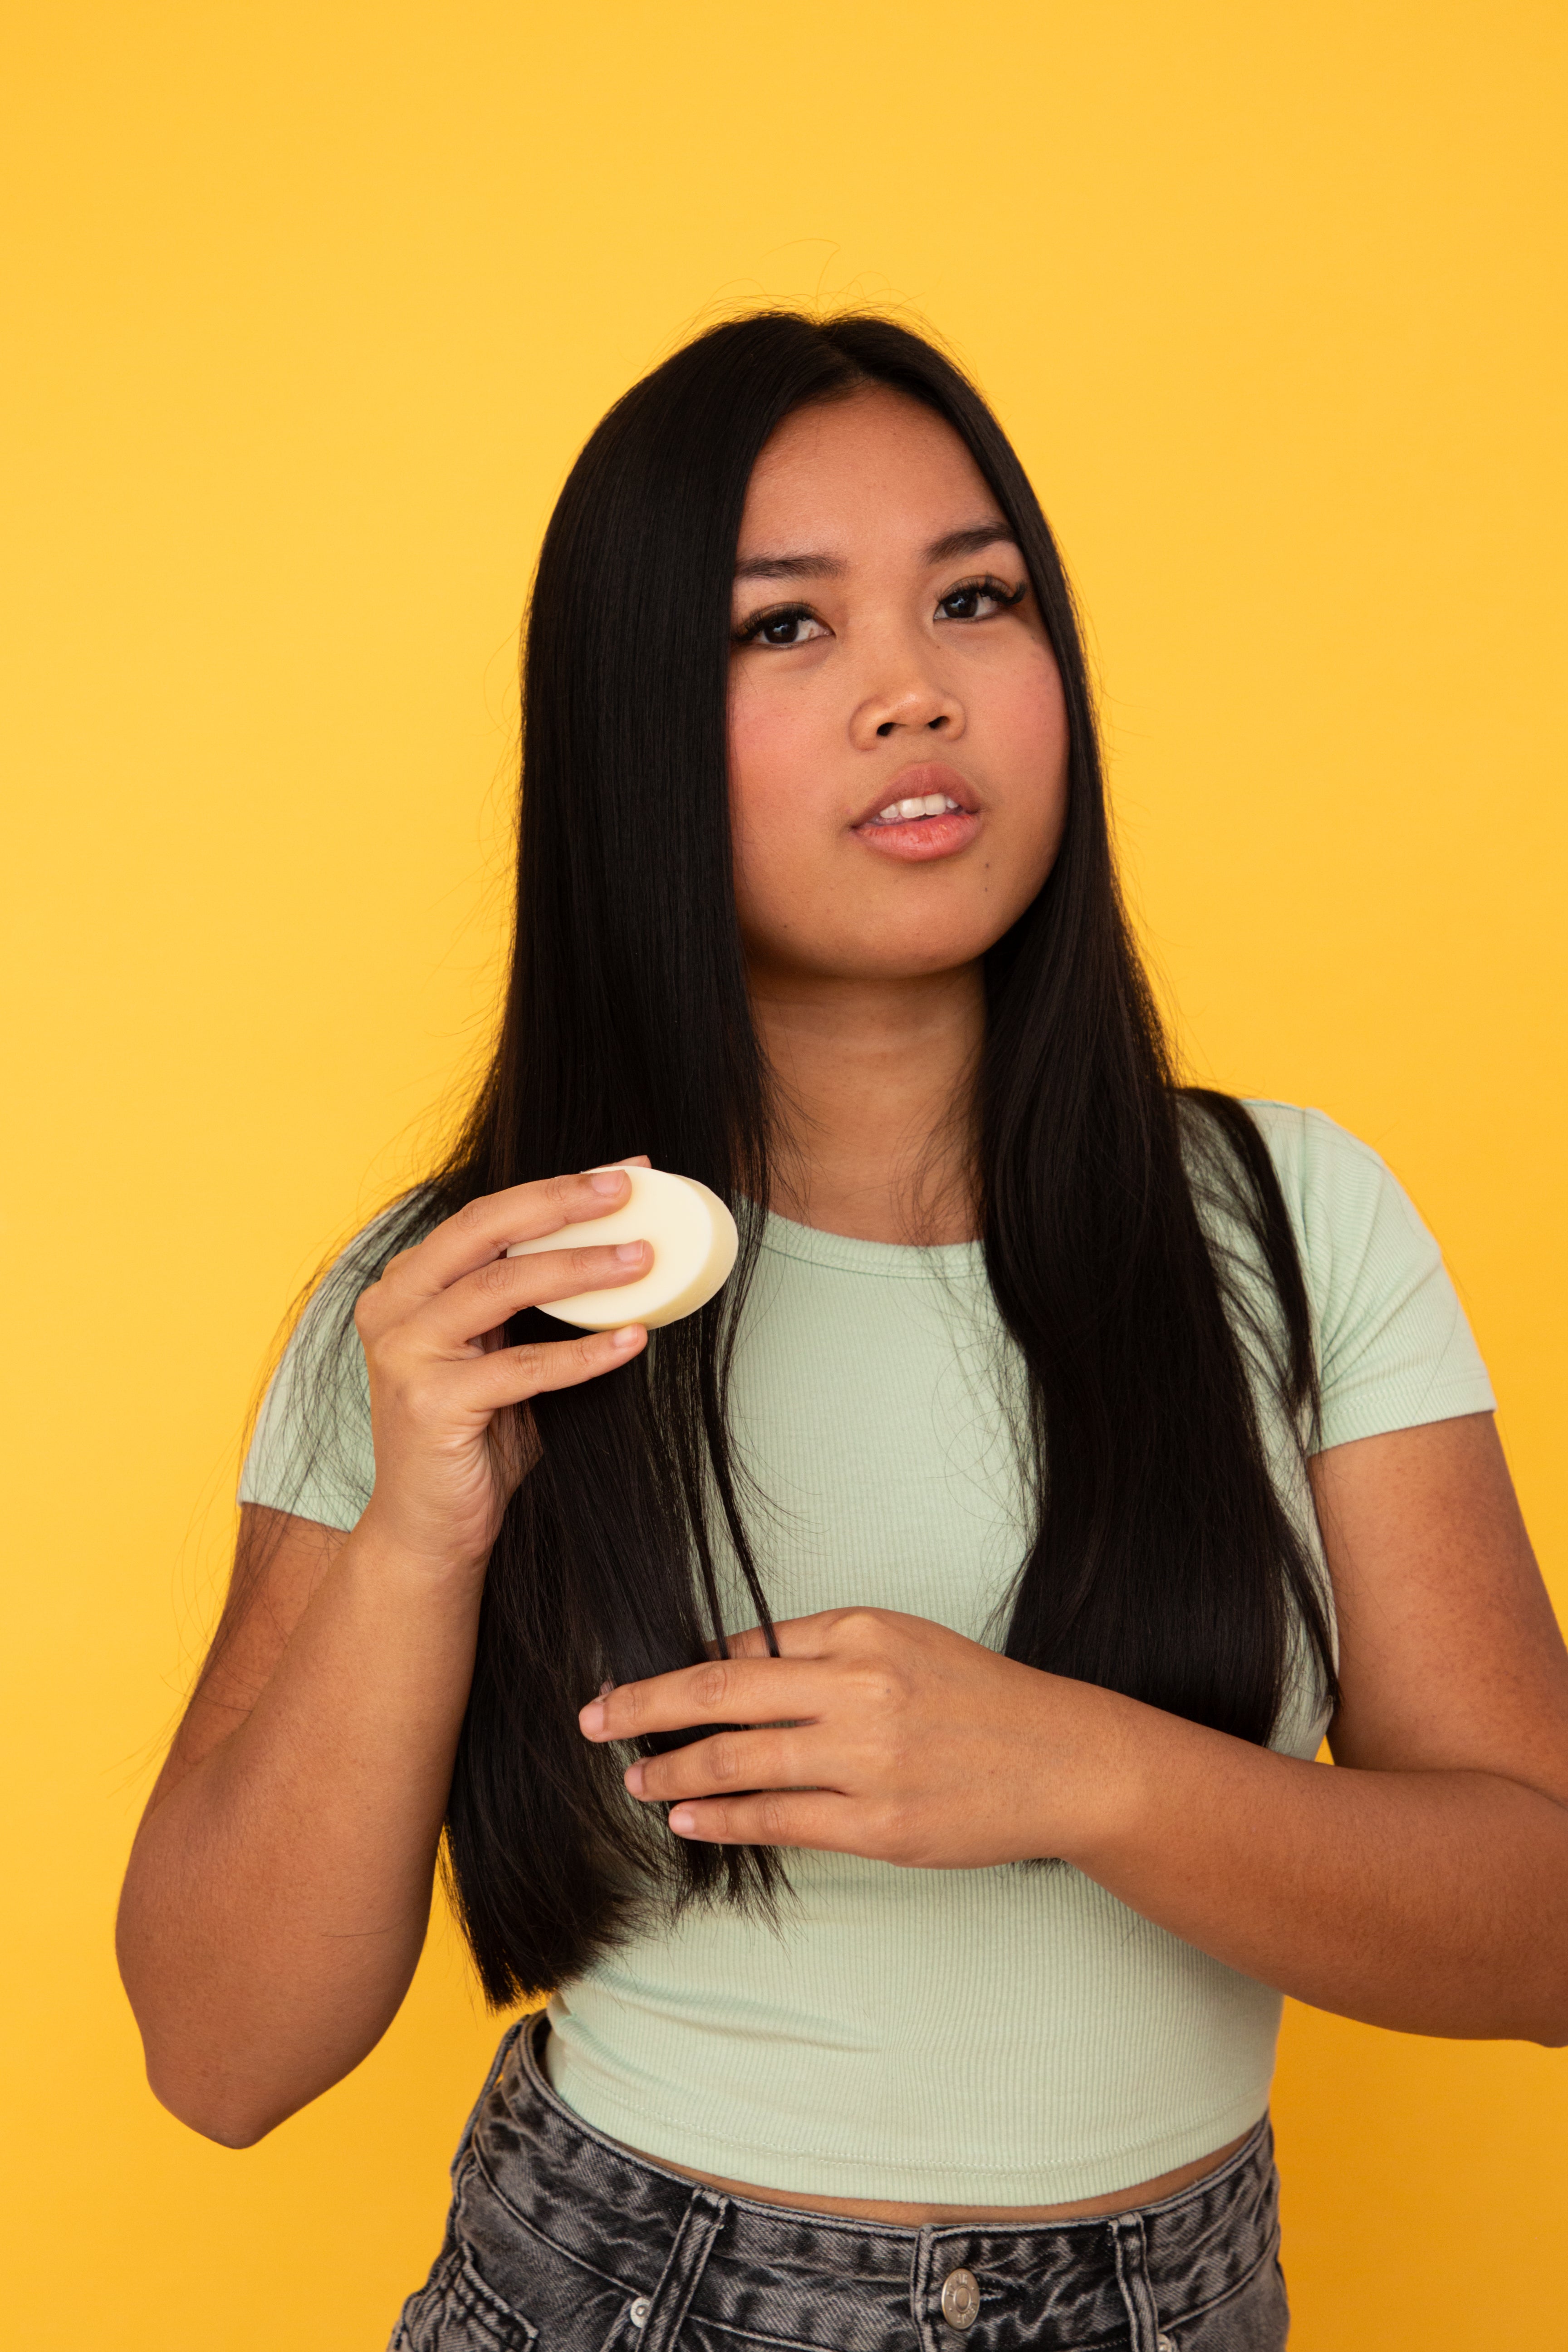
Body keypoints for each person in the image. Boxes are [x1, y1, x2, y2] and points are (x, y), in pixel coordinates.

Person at [118, 313, 1568, 2352]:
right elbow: (219, 2055)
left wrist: (1080, 1773)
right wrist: (418, 1540)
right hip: (627, 2295)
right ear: (629, 726)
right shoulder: (468, 1300)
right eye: (782, 631)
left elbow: (1550, 1927)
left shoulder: (1294, 1218)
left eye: (977, 599)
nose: (916, 691)